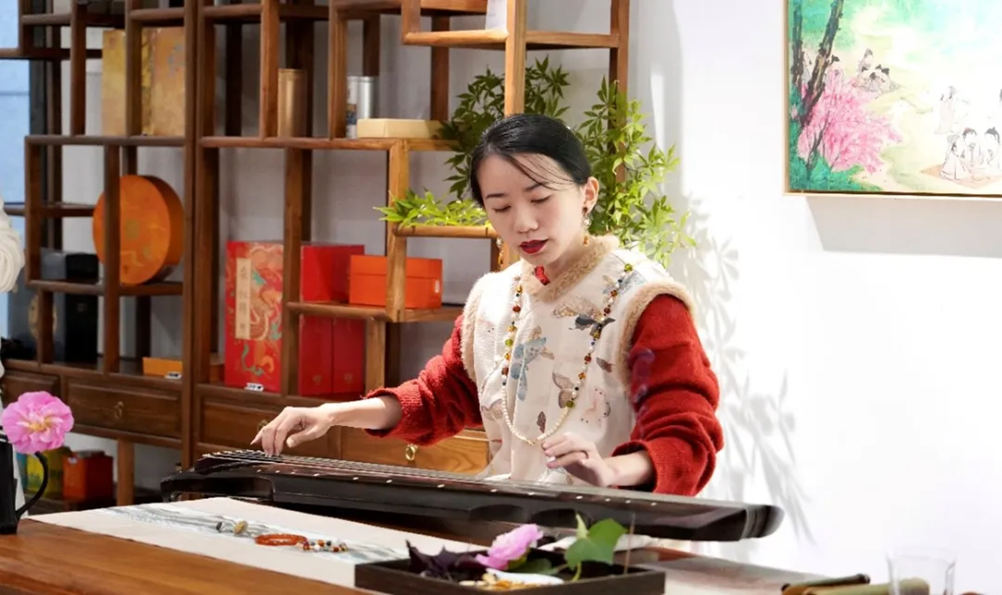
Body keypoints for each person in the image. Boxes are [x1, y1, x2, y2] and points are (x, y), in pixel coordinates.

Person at [253, 113, 724, 496]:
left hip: (611, 541)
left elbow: (686, 437)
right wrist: (332, 415)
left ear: (588, 194)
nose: (523, 222)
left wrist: (610, 470)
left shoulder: (644, 300)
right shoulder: (494, 298)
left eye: (540, 199)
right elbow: (438, 399)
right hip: (505, 531)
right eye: (501, 207)